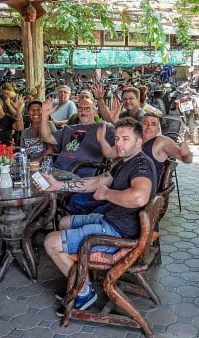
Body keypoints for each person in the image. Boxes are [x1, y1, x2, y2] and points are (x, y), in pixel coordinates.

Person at [41, 118, 156, 315]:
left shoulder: (141, 165)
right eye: (117, 138)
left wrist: (107, 194)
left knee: (50, 242)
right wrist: (59, 186)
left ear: (138, 142)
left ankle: (84, 291)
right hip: (113, 220)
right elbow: (96, 182)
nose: (118, 143)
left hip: (119, 232)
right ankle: (78, 277)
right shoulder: (124, 162)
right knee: (64, 221)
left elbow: (139, 197)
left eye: (125, 139)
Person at [40, 97, 115, 178]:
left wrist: (114, 120)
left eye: (87, 109)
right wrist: (44, 116)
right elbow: (47, 137)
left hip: (78, 172)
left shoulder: (103, 127)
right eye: (80, 109)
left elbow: (120, 144)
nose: (83, 112)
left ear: (95, 111)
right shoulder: (69, 128)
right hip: (56, 169)